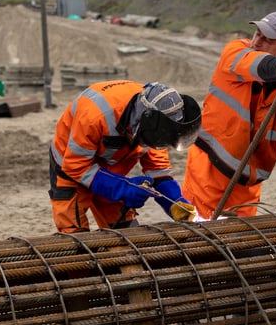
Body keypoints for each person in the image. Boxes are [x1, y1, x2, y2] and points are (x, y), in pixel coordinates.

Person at [182, 11, 276, 222]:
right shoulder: (236, 51)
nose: (257, 42)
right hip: (207, 173)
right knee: (198, 241)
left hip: (247, 183)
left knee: (238, 245)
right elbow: (257, 63)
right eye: (257, 34)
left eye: (268, 39)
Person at [49, 80, 200, 232]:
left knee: (125, 233)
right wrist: (122, 187)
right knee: (75, 236)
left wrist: (175, 200)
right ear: (144, 121)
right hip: (72, 164)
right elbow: (76, 166)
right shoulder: (94, 116)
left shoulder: (159, 121)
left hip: (110, 166)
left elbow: (158, 170)